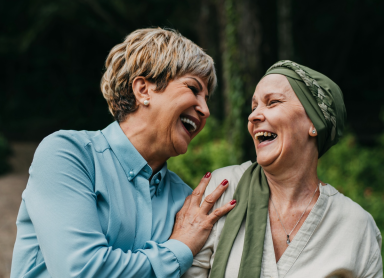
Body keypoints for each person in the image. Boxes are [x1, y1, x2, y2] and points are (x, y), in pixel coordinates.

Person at [10, 28, 236, 278]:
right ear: (143, 90)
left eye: (207, 98)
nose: (205, 110)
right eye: (193, 89)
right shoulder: (68, 155)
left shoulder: (186, 202)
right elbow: (81, 272)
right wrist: (179, 249)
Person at [183, 60, 383, 278]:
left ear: (315, 122)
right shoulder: (222, 189)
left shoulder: (356, 226)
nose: (253, 116)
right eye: (254, 107)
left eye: (272, 102)